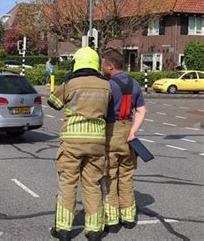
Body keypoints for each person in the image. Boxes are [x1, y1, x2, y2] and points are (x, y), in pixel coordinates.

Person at [47, 47, 111, 241]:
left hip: (73, 141)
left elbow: (54, 102)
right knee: (93, 184)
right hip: (97, 141)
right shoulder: (106, 85)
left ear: (77, 62)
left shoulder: (71, 83)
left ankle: (64, 229)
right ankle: (93, 231)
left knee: (67, 183)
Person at [101, 49, 146, 233]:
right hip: (129, 131)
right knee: (127, 177)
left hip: (111, 132)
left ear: (110, 66)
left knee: (110, 176)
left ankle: (112, 220)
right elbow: (141, 111)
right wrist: (133, 132)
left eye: (103, 63)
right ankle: (128, 217)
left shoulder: (108, 86)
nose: (101, 66)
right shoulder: (135, 84)